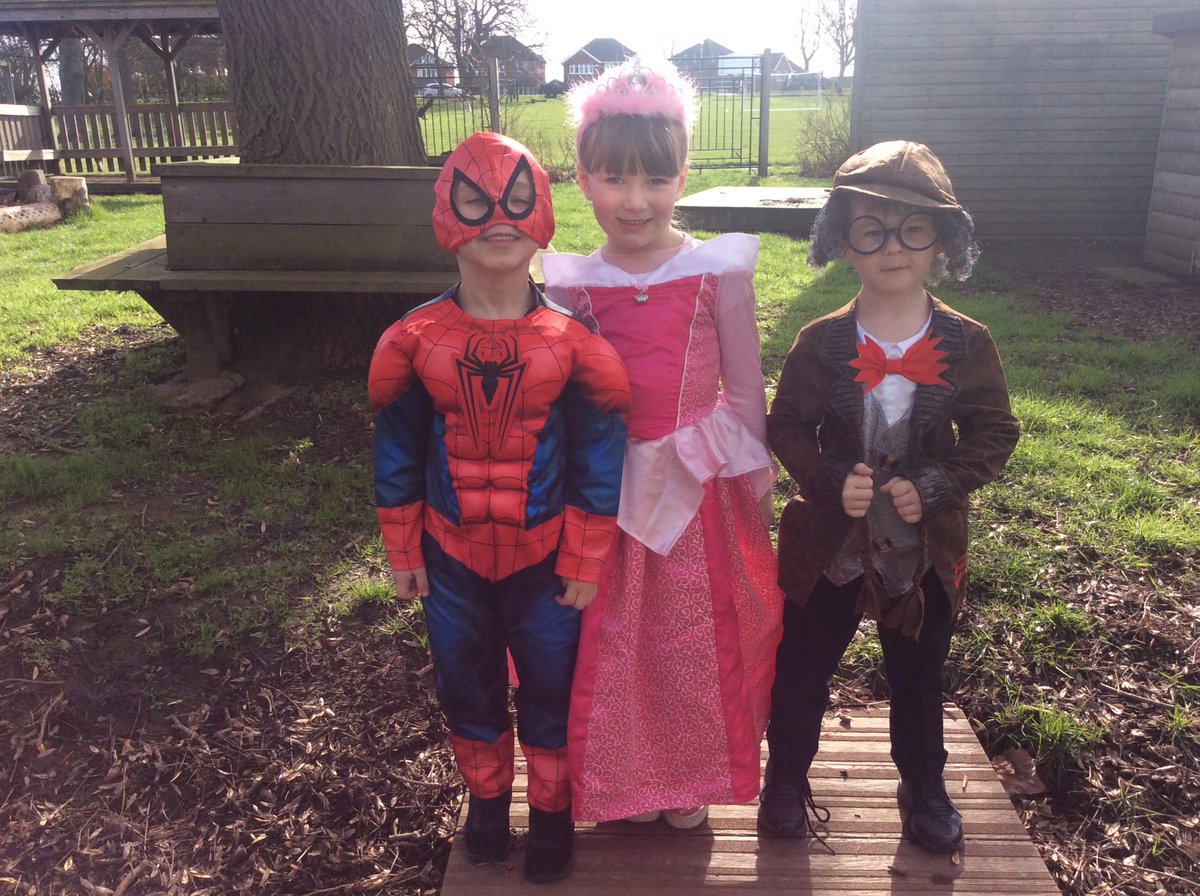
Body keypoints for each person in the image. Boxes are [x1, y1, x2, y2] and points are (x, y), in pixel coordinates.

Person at [368, 132, 631, 883]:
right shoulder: (414, 341)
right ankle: (486, 804)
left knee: (552, 689)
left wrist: (584, 557)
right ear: (448, 214)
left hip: (547, 559)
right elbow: (395, 452)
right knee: (465, 685)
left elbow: (597, 457)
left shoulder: (577, 345)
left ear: (541, 211)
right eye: (478, 202)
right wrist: (404, 551)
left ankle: (552, 814)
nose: (499, 220)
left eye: (517, 200)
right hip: (450, 560)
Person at [759, 141, 1020, 854]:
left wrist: (937, 484)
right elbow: (785, 423)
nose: (893, 247)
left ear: (945, 240)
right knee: (804, 666)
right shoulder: (821, 342)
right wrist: (822, 475)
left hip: (922, 553)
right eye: (872, 229)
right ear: (842, 240)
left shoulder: (968, 344)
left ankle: (924, 783)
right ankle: (785, 776)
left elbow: (996, 429)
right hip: (831, 551)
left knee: (918, 673)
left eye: (913, 227)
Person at [542, 58, 784, 828]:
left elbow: (744, 388)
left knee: (690, 638)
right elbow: (565, 396)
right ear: (582, 178)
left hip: (696, 481)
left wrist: (753, 471)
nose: (635, 201)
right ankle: (625, 776)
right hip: (608, 487)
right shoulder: (573, 286)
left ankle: (687, 781)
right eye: (614, 180)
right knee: (615, 637)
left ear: (683, 176)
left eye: (654, 181)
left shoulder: (715, 271)